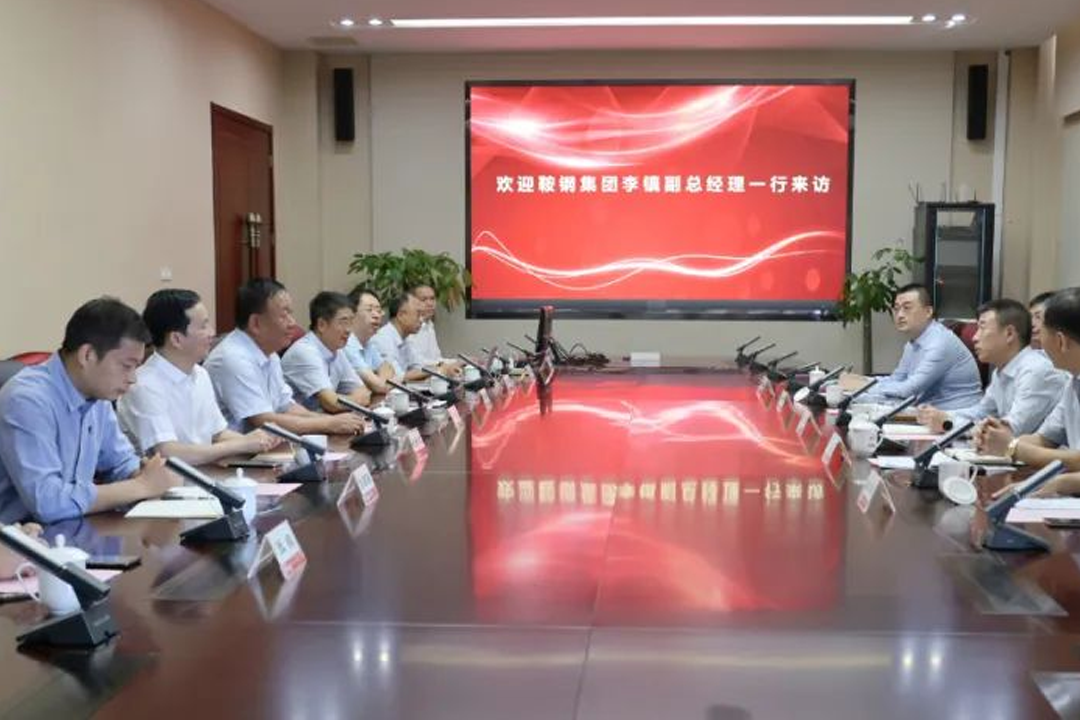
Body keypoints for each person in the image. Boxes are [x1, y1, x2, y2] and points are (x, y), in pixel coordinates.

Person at [0, 298, 181, 524]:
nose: (133, 378)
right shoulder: (27, 399)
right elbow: (47, 502)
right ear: (87, 355)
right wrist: (142, 486)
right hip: (17, 537)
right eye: (126, 366)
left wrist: (147, 474)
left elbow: (121, 462)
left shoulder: (98, 395)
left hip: (72, 529)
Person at [117, 289, 281, 466]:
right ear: (176, 339)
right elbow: (168, 453)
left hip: (206, 475)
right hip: (168, 481)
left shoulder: (200, 374)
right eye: (203, 326)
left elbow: (217, 434)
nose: (212, 333)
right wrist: (242, 444)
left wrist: (261, 441)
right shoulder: (144, 385)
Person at [204, 279, 368, 437]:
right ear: (255, 323)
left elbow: (287, 406)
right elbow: (263, 421)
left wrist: (334, 421)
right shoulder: (233, 358)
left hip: (264, 446)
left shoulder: (270, 354)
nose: (293, 323)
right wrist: (329, 424)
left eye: (291, 314)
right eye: (284, 315)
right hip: (234, 452)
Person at [979, 288, 1080, 491]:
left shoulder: (1041, 369)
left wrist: (1012, 447)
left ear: (1060, 341)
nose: (1038, 341)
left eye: (1041, 332)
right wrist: (994, 439)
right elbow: (1045, 438)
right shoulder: (1073, 381)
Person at [916, 299, 1065, 434]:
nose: (975, 337)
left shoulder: (1036, 371)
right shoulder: (1002, 370)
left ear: (1009, 334)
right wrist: (940, 416)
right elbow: (981, 412)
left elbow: (1011, 430)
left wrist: (948, 423)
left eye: (982, 328)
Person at [844, 283, 983, 410]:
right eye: (896, 309)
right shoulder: (912, 343)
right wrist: (863, 381)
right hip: (928, 411)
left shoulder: (940, 343)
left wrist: (863, 387)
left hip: (957, 418)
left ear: (928, 312)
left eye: (907, 308)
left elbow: (908, 390)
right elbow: (897, 379)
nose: (900, 315)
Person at [282, 291, 372, 412]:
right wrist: (354, 400)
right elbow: (332, 403)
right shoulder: (304, 352)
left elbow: (363, 392)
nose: (349, 330)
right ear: (321, 325)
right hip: (297, 421)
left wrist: (349, 400)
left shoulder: (336, 350)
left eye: (351, 322)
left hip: (321, 419)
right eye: (344, 322)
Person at [343, 288, 395, 393]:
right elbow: (379, 386)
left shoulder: (368, 342)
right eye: (369, 310)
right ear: (352, 314)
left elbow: (387, 367)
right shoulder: (346, 344)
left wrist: (382, 383)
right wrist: (384, 384)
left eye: (379, 311)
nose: (376, 315)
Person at [369, 292, 428, 381]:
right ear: (401, 315)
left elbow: (418, 366)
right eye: (418, 314)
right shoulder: (383, 339)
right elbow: (396, 377)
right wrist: (438, 370)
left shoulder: (405, 338)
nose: (421, 320)